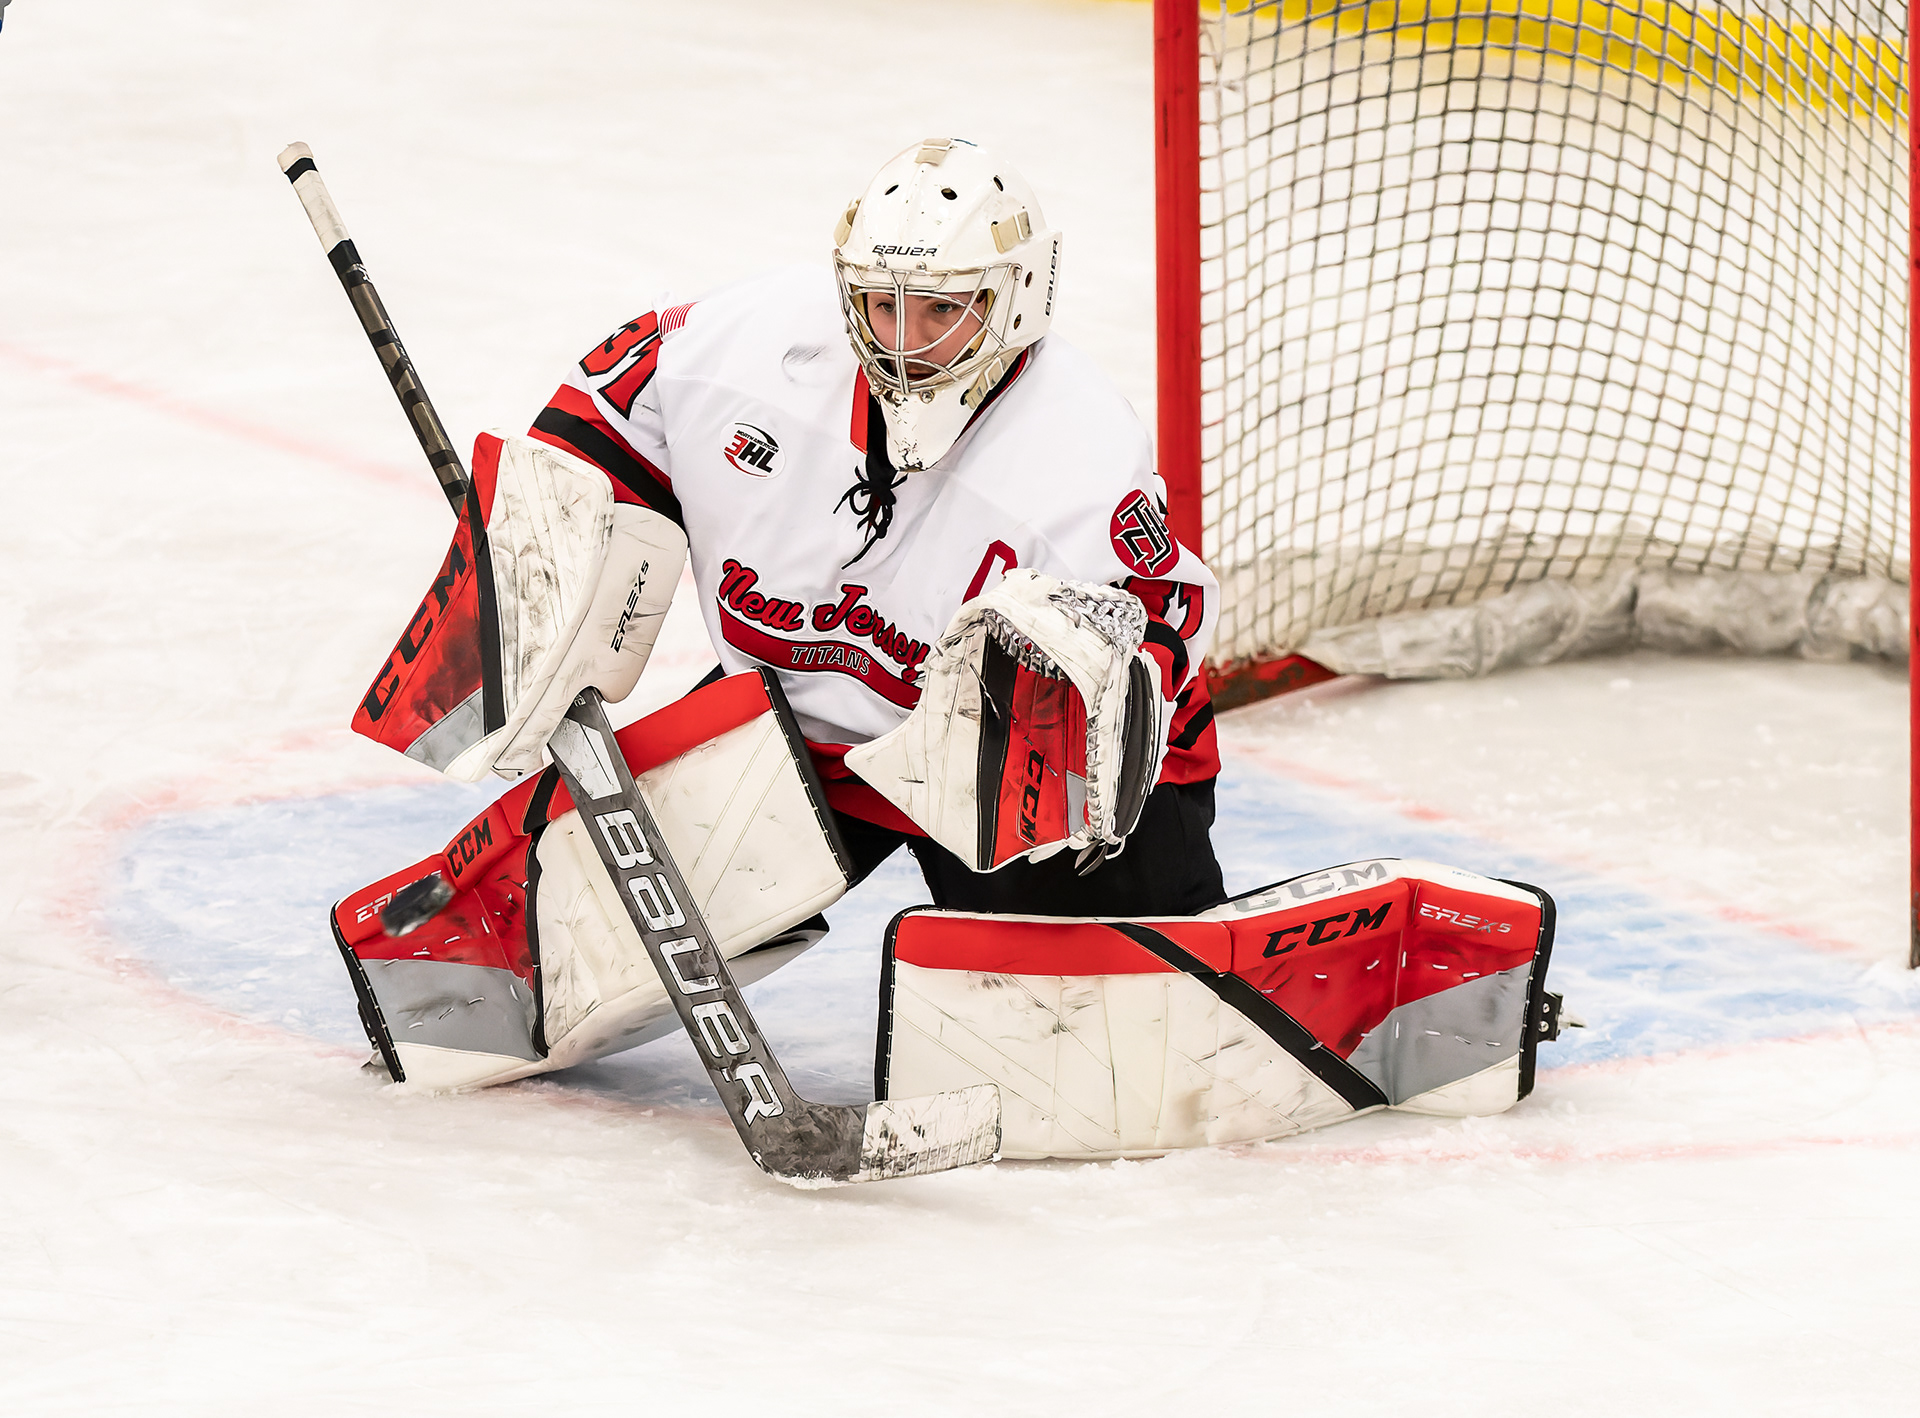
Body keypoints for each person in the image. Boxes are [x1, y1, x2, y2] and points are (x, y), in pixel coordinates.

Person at [524, 137, 1225, 917]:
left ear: (1016, 298)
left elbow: (1162, 617)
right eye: (884, 306)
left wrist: (1094, 741)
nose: (904, 344)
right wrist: (535, 568)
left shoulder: (1079, 453)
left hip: (1004, 760)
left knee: (1075, 989)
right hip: (800, 726)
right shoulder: (750, 349)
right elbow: (610, 403)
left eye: (942, 309)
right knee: (576, 911)